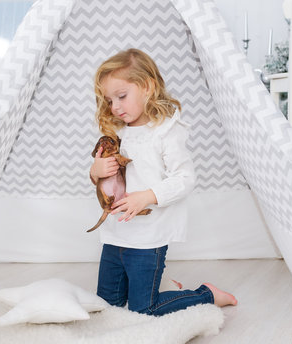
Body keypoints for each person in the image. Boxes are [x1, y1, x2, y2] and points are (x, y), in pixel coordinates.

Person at [89, 48, 237, 316]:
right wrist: (96, 169)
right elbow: (103, 180)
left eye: (121, 97)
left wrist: (147, 196)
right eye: (109, 100)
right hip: (115, 235)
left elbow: (185, 178)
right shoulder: (117, 132)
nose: (115, 107)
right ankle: (163, 284)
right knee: (106, 304)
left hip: (148, 237)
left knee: (144, 308)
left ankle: (206, 294)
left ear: (147, 87)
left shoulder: (166, 130)